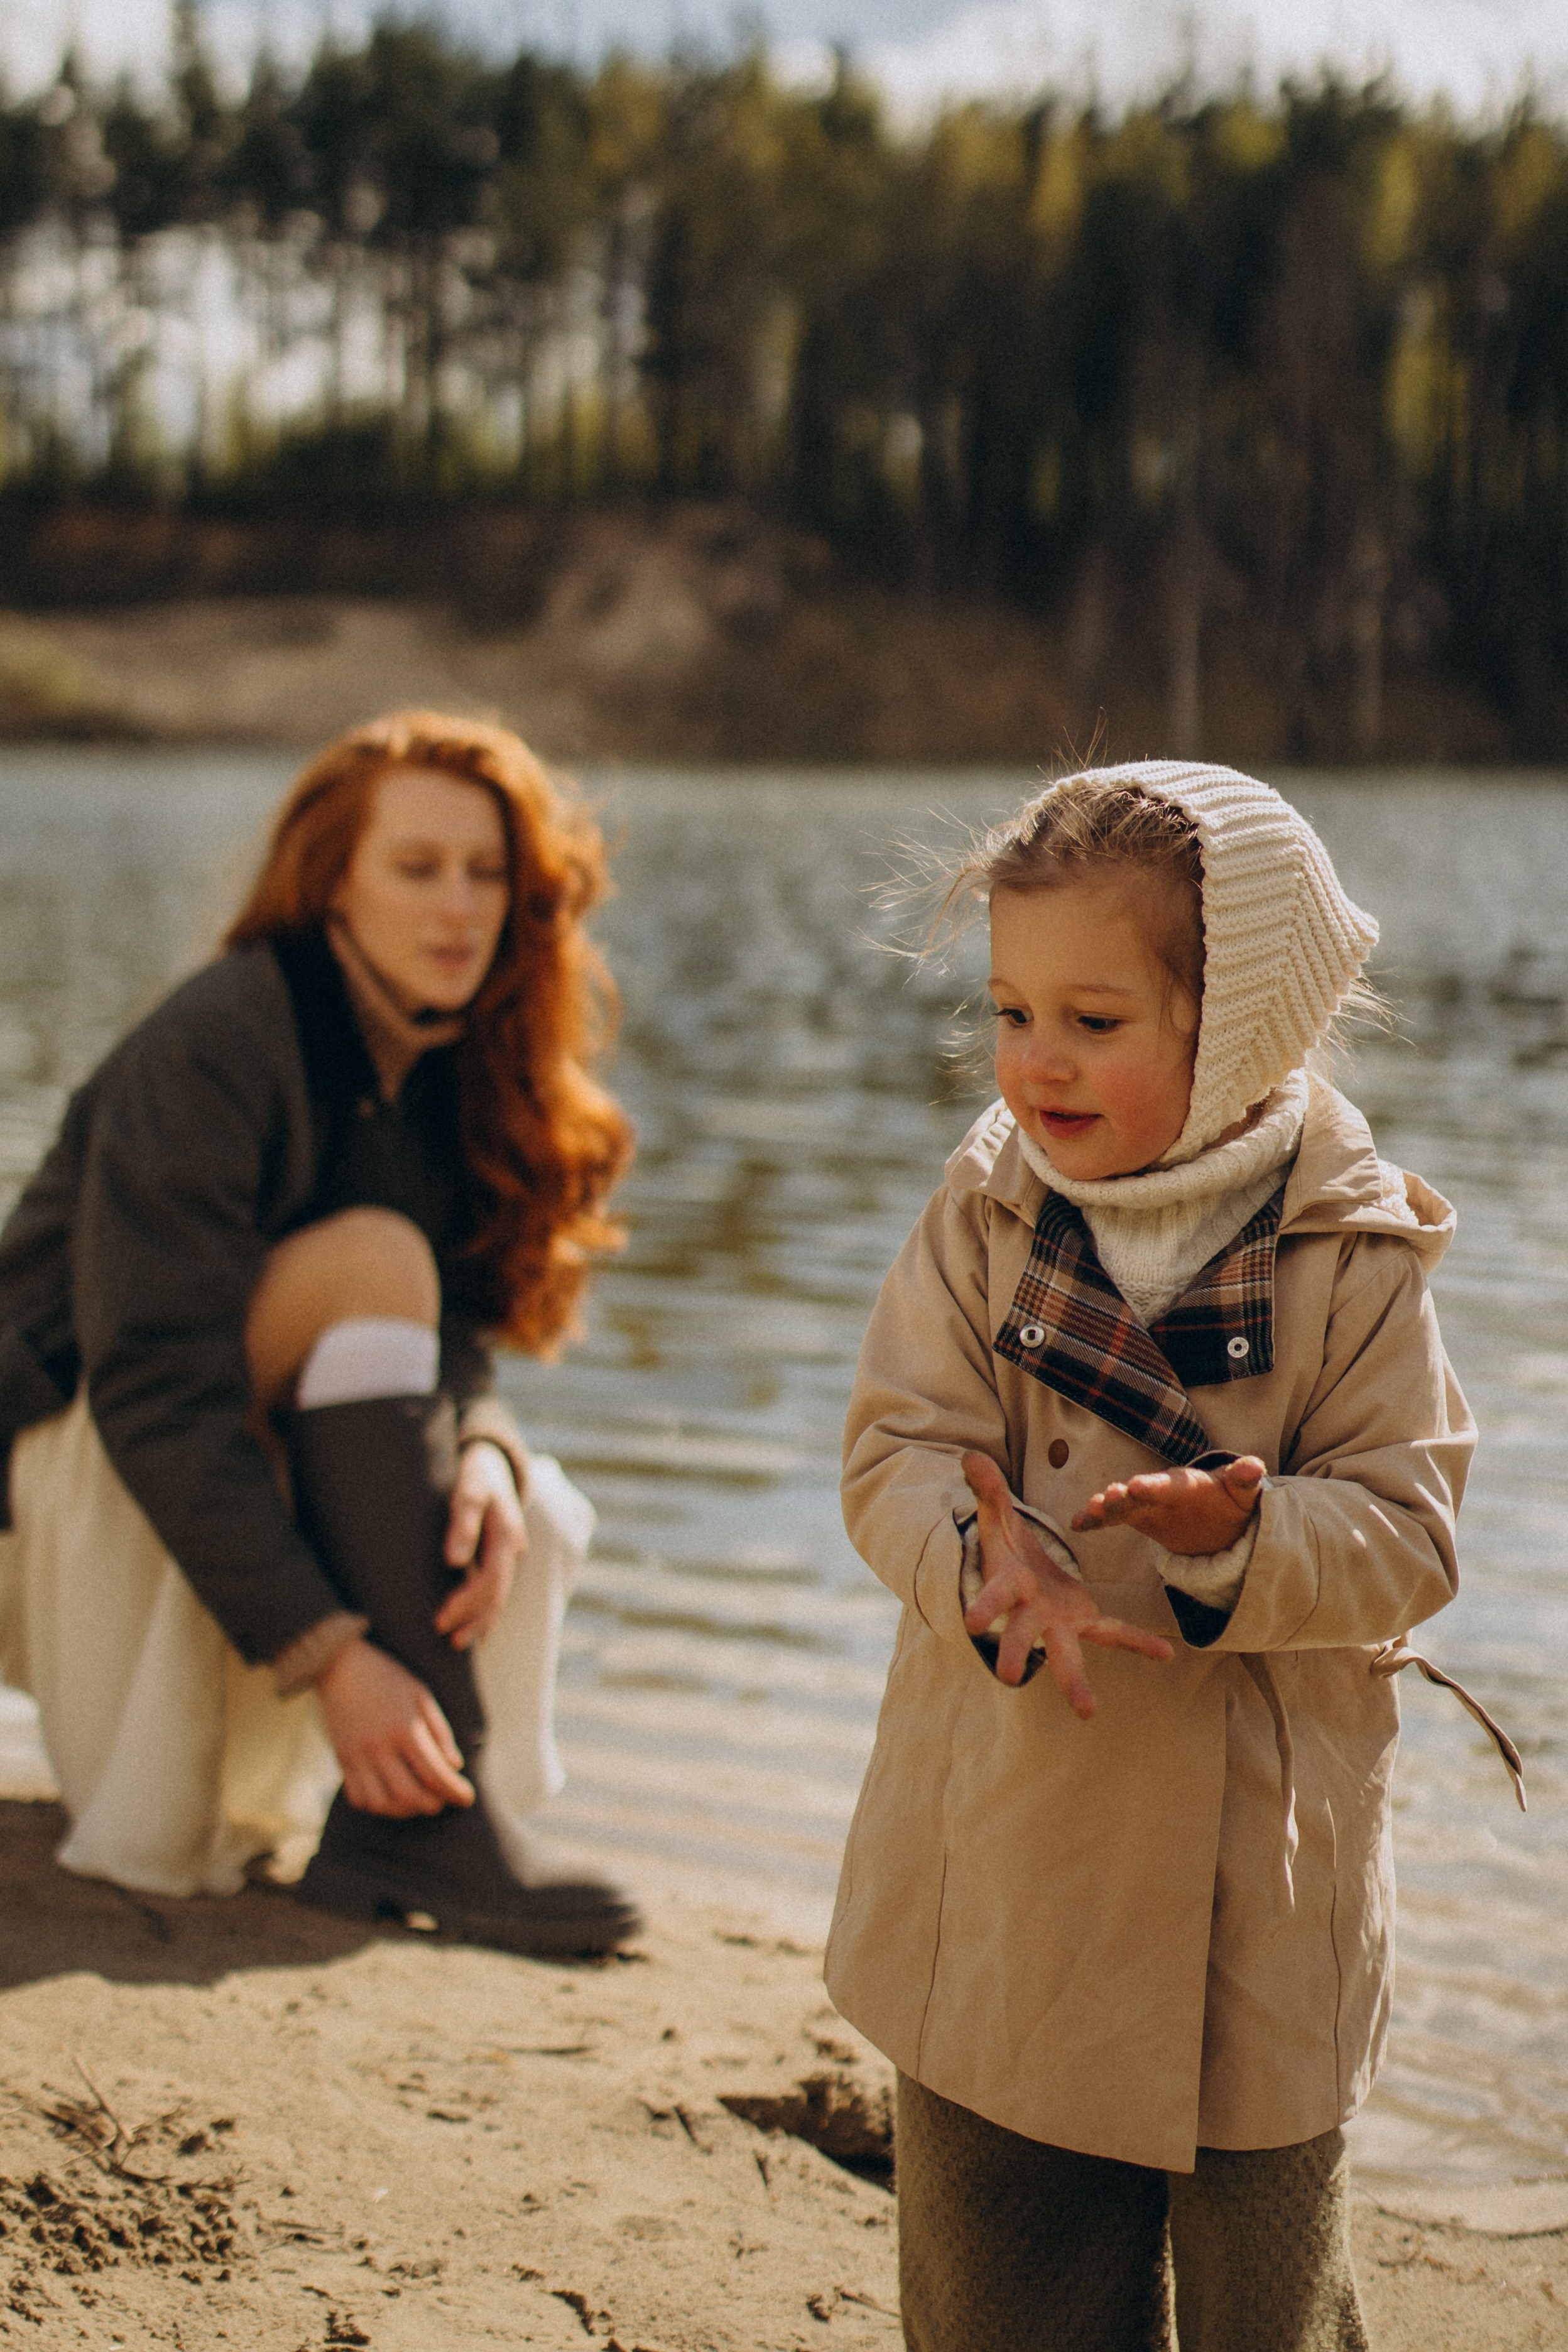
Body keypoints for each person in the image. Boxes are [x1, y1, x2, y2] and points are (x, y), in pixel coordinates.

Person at [826, 763, 1498, 2351]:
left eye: (1094, 1021)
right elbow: (895, 1450)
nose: (1035, 1061)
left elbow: (1410, 1528)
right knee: (1001, 2283)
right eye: (1010, 1012)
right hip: (1005, 1837)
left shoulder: (1354, 1258)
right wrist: (978, 1564)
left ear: (1243, 1027)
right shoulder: (986, 1214)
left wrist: (1245, 1539)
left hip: (1255, 1886)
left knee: (1270, 2297)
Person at [0, 709, 639, 1957]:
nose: (459, 906)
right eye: (417, 868)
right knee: (373, 1254)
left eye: (487, 871)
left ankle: (424, 1810)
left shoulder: (452, 1056)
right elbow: (152, 1383)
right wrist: (334, 1657)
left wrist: (489, 1449)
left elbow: (451, 1334)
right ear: (332, 881)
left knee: (519, 1495)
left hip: (218, 1424)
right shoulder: (222, 1037)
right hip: (56, 1454)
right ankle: (421, 1824)